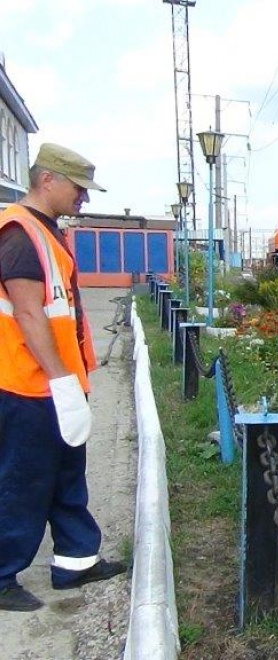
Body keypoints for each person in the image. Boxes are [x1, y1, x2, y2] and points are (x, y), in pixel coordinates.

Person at [0, 144, 128, 612]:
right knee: (24, 480)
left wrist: (70, 382)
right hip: (30, 387)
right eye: (79, 189)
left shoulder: (44, 232)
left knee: (65, 477)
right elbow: (30, 314)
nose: (84, 199)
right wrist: (60, 381)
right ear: (48, 179)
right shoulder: (20, 232)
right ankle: (2, 573)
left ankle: (75, 559)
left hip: (55, 384)